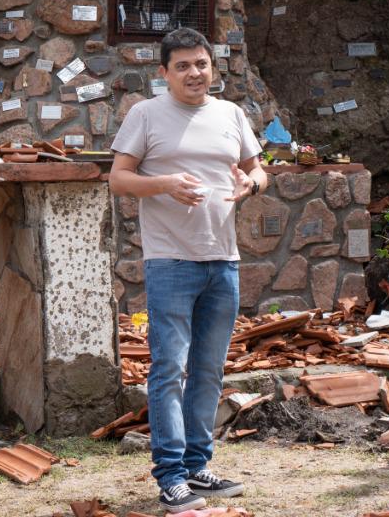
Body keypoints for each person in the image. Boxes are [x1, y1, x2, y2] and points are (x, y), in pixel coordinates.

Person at [109, 28, 269, 513]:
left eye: (201, 64)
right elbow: (118, 179)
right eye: (182, 66)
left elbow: (259, 169)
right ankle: (171, 475)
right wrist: (164, 185)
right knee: (168, 370)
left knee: (208, 370)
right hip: (170, 262)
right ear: (164, 73)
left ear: (212, 68)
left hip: (223, 261)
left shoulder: (231, 114)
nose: (194, 73)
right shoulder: (145, 114)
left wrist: (252, 186)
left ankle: (198, 466)